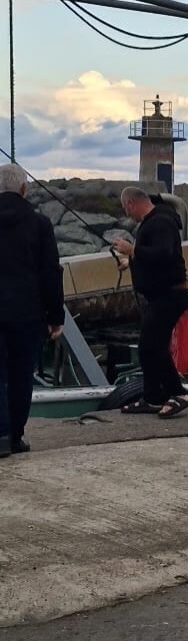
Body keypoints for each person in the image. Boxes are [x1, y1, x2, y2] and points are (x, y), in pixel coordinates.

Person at [0, 162, 64, 457]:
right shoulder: (39, 224)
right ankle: (14, 435)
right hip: (26, 313)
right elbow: (51, 272)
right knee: (21, 375)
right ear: (24, 189)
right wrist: (55, 316)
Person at [113, 188, 188, 418]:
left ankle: (178, 393)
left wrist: (133, 250)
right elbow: (154, 260)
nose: (127, 215)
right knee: (148, 347)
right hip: (161, 295)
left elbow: (163, 254)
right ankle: (152, 397)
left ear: (131, 203)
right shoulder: (156, 222)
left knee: (153, 346)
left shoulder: (160, 222)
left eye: (126, 209)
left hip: (170, 295)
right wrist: (130, 261)